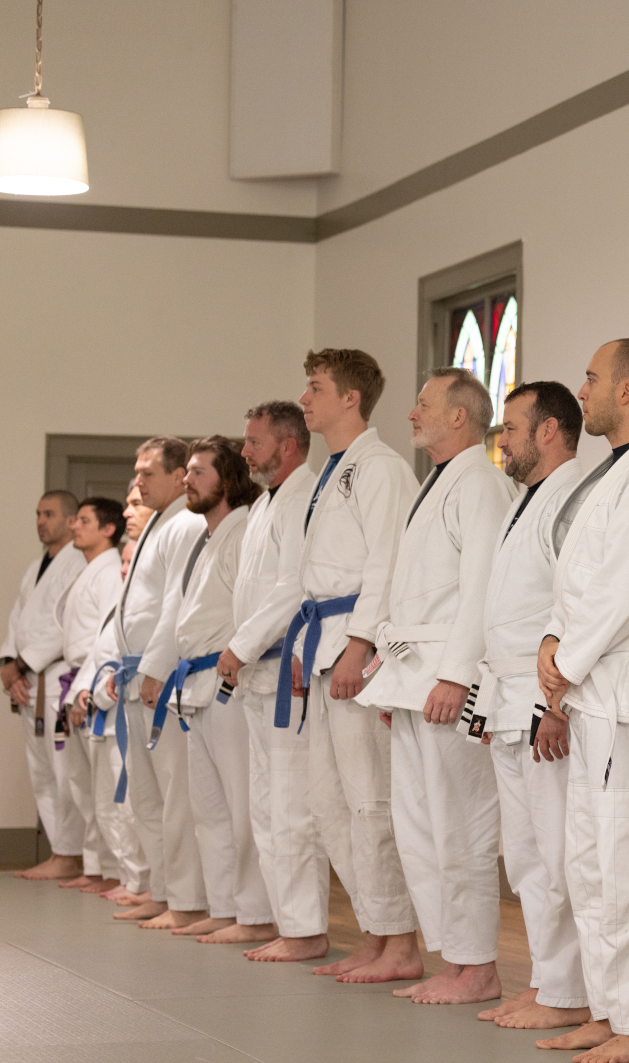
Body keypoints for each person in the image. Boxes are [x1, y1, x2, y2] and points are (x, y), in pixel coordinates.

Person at [536, 339, 629, 1063]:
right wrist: (555, 643)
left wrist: (565, 660)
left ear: (627, 390)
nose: (581, 390)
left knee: (628, 863)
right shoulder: (608, 476)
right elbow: (577, 585)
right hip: (587, 683)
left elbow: (624, 592)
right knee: (587, 862)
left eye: (592, 378)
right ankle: (607, 1008)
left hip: (620, 688)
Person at [359, 368, 514, 1005]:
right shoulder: (439, 482)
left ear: (459, 416)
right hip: (413, 672)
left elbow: (481, 588)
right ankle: (452, 955)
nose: (411, 413)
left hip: (450, 672)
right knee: (417, 824)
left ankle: (478, 963)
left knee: (460, 823)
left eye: (423, 404)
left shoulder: (480, 482)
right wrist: (396, 679)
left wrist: (455, 674)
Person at [279, 348, 422, 982]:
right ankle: (372, 929)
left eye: (314, 388)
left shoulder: (382, 469)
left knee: (372, 799)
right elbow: (313, 577)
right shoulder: (329, 470)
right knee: (329, 800)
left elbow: (386, 566)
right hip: (320, 639)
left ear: (349, 399)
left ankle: (402, 942)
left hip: (353, 648)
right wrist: (301, 646)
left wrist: (359, 646)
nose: (304, 399)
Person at [475, 381, 589, 1031]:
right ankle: (549, 980)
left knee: (556, 849)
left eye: (511, 429)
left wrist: (560, 704)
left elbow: (572, 609)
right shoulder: (526, 501)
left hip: (546, 699)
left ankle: (570, 991)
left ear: (548, 431)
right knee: (523, 854)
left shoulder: (574, 498)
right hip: (509, 696)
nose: (503, 441)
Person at [217, 402, 326, 963]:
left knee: (291, 805)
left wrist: (241, 644)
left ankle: (306, 929)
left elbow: (294, 587)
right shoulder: (267, 504)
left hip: (288, 669)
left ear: (287, 445)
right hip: (259, 672)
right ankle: (288, 922)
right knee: (264, 804)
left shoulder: (307, 496)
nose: (244, 452)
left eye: (254, 442)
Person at [158, 437, 274, 944]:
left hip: (229, 680)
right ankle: (226, 906)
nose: (188, 480)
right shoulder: (210, 537)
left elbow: (252, 607)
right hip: (196, 685)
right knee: (210, 808)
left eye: (199, 472)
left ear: (227, 480)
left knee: (243, 806)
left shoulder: (244, 528)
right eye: (186, 471)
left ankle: (256, 914)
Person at [102, 436, 208, 928]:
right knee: (146, 796)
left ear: (177, 474)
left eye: (148, 472)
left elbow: (175, 604)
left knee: (174, 797)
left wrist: (155, 668)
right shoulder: (156, 526)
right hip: (134, 671)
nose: (138, 481)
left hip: (157, 673)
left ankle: (185, 899)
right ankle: (163, 891)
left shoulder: (184, 523)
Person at [2, 490, 86, 881]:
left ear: (71, 520)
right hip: (28, 682)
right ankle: (59, 850)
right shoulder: (36, 566)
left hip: (54, 678)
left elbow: (62, 626)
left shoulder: (77, 564)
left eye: (48, 513)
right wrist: (8, 665)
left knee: (64, 770)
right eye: (37, 513)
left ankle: (72, 853)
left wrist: (21, 664)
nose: (40, 521)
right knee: (41, 774)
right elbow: (18, 621)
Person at [74, 536, 151, 905]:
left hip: (126, 709)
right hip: (103, 712)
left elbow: (122, 668)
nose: (124, 568)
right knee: (108, 804)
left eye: (129, 561)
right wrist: (83, 692)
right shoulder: (120, 606)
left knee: (131, 805)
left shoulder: (143, 608)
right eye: (122, 561)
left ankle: (140, 880)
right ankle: (127, 874)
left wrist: (100, 692)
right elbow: (97, 657)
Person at [55, 497, 126, 894]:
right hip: (78, 678)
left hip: (95, 678)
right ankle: (98, 866)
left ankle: (115, 870)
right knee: (84, 785)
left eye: (83, 520)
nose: (74, 526)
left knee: (104, 785)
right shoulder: (91, 570)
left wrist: (86, 685)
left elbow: (107, 635)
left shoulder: (110, 571)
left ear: (108, 529)